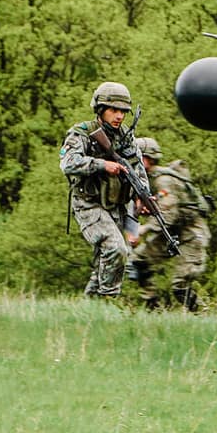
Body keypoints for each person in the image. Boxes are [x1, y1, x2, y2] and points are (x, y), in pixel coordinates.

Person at [59, 81, 143, 300]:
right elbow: (67, 163)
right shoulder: (83, 133)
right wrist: (101, 165)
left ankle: (91, 309)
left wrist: (142, 197)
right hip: (88, 203)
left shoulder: (127, 137)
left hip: (115, 206)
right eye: (113, 110)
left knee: (106, 263)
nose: (119, 116)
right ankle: (108, 301)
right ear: (100, 109)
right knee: (116, 249)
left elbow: (138, 168)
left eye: (123, 111)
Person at [126, 135, 214, 311]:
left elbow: (168, 215)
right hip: (171, 233)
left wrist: (144, 230)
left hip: (191, 234)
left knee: (179, 285)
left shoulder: (163, 180)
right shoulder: (145, 180)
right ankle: (153, 309)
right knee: (139, 262)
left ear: (147, 159)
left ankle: (203, 315)